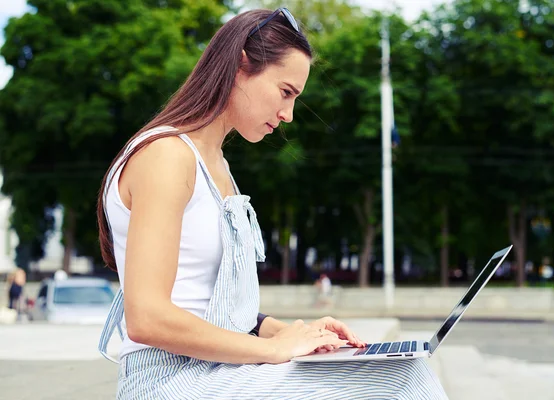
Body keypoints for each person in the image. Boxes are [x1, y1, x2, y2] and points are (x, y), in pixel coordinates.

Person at [97, 8, 448, 399]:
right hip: (171, 382)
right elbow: (146, 319)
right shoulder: (166, 155)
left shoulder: (217, 166)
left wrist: (295, 333)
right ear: (240, 65)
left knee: (406, 367)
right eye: (286, 92)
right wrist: (273, 350)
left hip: (221, 369)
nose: (289, 115)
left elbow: (208, 309)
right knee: (402, 381)